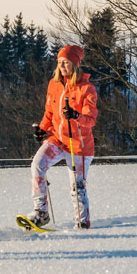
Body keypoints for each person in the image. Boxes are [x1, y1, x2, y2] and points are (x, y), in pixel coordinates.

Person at [25, 45, 98, 228]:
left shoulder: (86, 88)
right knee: (37, 165)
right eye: (59, 62)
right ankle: (40, 211)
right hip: (57, 139)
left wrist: (76, 116)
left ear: (75, 64)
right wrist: (42, 128)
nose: (62, 66)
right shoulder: (54, 84)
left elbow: (91, 120)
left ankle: (82, 222)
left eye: (66, 62)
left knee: (77, 186)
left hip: (78, 144)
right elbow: (49, 111)